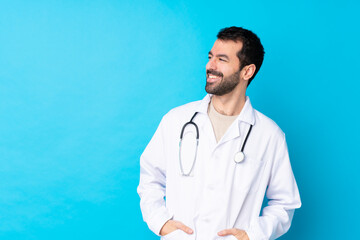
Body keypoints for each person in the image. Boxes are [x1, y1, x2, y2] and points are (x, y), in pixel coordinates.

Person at [137, 26, 301, 240]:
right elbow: (150, 178)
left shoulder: (269, 135)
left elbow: (284, 203)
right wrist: (162, 223)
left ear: (247, 71)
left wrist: (251, 235)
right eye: (210, 57)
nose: (209, 66)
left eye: (222, 60)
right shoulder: (176, 120)